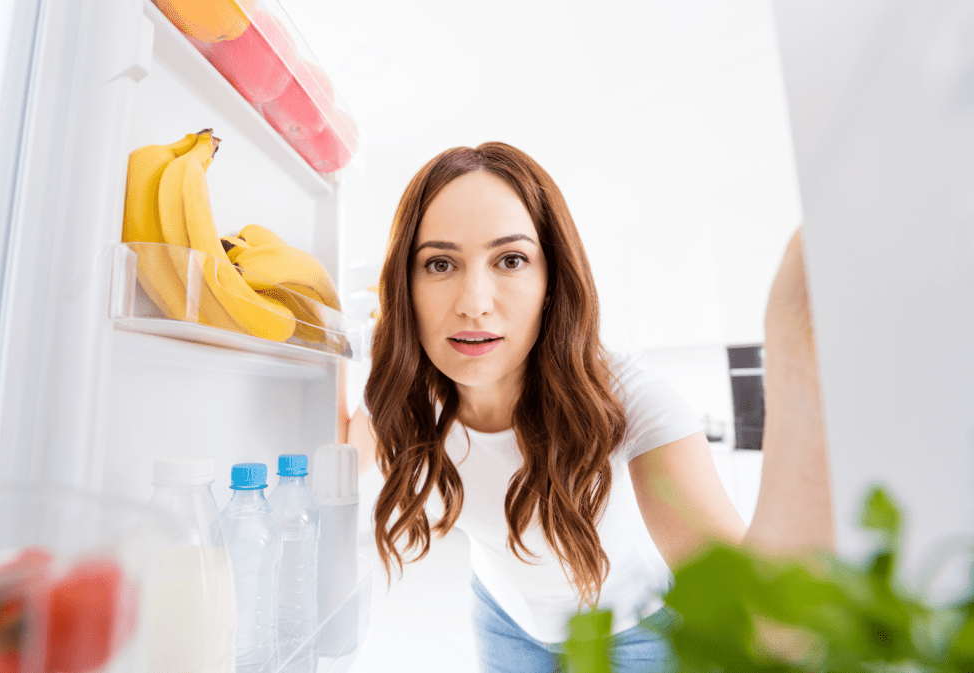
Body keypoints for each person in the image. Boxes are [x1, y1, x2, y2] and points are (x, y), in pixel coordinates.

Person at [341, 142, 833, 673]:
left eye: (511, 260)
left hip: (633, 634)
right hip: (503, 619)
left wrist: (794, 360)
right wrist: (322, 331)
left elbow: (752, 611)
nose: (474, 303)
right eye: (440, 263)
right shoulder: (406, 392)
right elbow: (337, 459)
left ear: (552, 281)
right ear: (404, 286)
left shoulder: (630, 401)